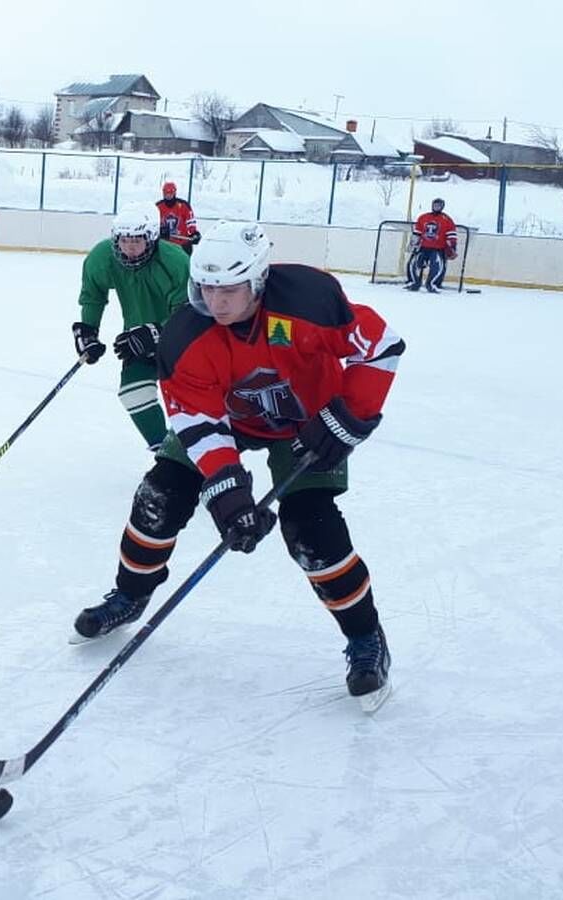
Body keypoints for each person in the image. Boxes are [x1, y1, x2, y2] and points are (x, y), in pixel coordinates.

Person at [72, 221, 403, 703]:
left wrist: (348, 417)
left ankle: (365, 638)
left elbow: (382, 346)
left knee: (312, 530)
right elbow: (198, 421)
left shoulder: (309, 302)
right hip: (232, 418)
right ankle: (130, 594)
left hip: (311, 422)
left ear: (258, 281)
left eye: (228, 289)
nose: (216, 301)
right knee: (160, 495)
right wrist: (228, 493)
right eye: (206, 287)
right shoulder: (187, 336)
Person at [73, 208, 192, 451]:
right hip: (137, 338)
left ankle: (200, 454)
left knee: (189, 402)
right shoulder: (102, 257)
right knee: (133, 392)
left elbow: (189, 311)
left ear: (151, 238)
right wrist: (88, 330)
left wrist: (157, 333)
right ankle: (165, 453)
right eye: (124, 240)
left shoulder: (175, 261)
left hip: (184, 341)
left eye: (136, 240)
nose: (129, 247)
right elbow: (93, 294)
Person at [405, 197, 457, 293]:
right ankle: (414, 283)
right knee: (413, 263)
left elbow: (451, 235)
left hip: (438, 249)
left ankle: (432, 284)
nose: (436, 207)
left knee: (437, 267)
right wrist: (413, 243)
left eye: (438, 205)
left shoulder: (447, 219)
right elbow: (417, 233)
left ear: (442, 207)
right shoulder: (423, 217)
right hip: (423, 247)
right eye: (435, 205)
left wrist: (452, 247)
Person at [155, 181, 200, 255]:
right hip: (165, 245)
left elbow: (190, 222)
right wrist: (159, 231)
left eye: (170, 192)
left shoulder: (183, 205)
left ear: (174, 193)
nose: (168, 195)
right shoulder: (158, 207)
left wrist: (194, 233)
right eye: (166, 192)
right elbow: (153, 224)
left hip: (182, 244)